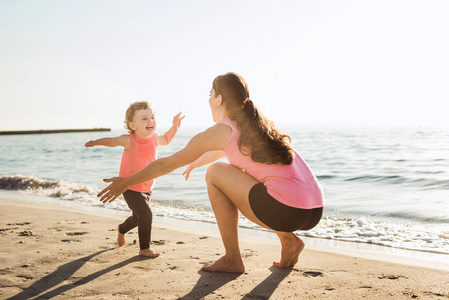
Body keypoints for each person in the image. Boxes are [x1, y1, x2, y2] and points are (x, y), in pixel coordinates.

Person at [98, 73, 324, 273]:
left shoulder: (222, 129)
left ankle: (233, 259)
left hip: (287, 211)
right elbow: (226, 151)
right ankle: (288, 241)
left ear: (219, 100)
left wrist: (126, 181)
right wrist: (195, 163)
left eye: (210, 94)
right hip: (313, 211)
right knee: (241, 170)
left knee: (215, 173)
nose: (208, 100)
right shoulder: (259, 124)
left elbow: (165, 165)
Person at [85, 101, 184, 258]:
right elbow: (113, 141)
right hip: (129, 187)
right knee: (146, 215)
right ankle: (144, 248)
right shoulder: (129, 139)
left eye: (152, 117)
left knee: (138, 218)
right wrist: (96, 142)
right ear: (132, 125)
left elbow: (166, 139)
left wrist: (175, 126)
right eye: (144, 118)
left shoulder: (154, 138)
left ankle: (122, 229)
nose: (150, 121)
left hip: (147, 187)